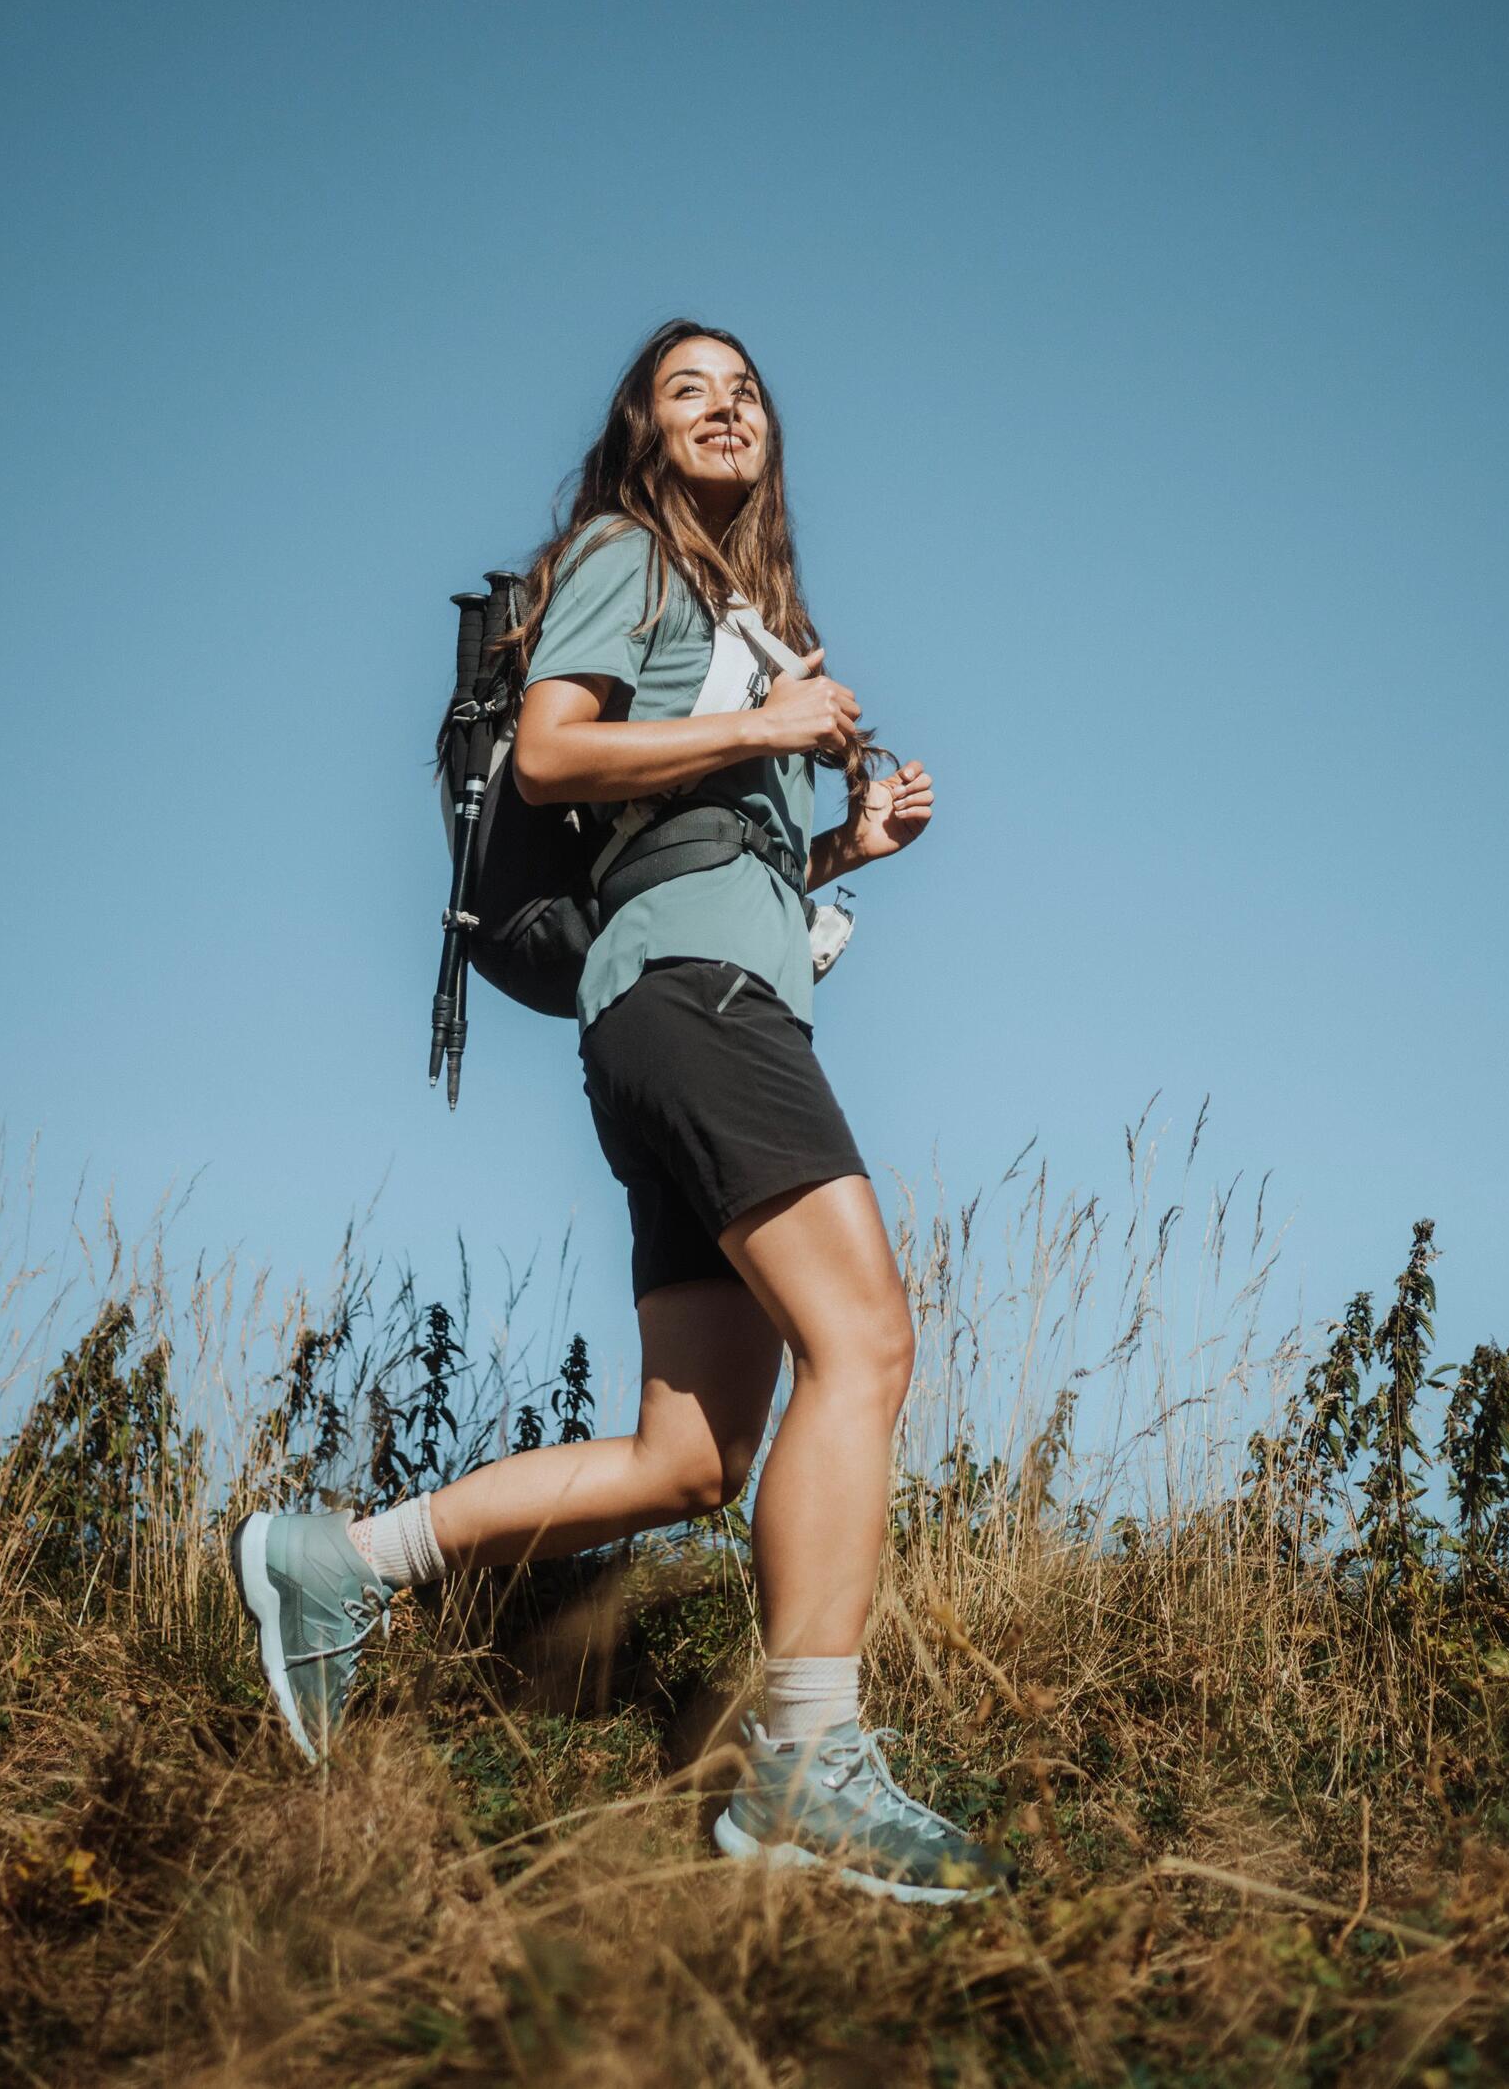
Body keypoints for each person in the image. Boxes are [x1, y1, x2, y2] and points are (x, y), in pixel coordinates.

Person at [230, 319, 1015, 1904]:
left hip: (677, 1007)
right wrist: (769, 732)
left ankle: (340, 1563)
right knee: (863, 1343)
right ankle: (810, 1765)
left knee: (689, 1460)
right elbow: (552, 752)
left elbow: (697, 860)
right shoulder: (628, 557)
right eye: (687, 391)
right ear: (642, 434)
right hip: (694, 1014)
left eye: (744, 391)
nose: (725, 410)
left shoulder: (738, 619)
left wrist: (844, 843)